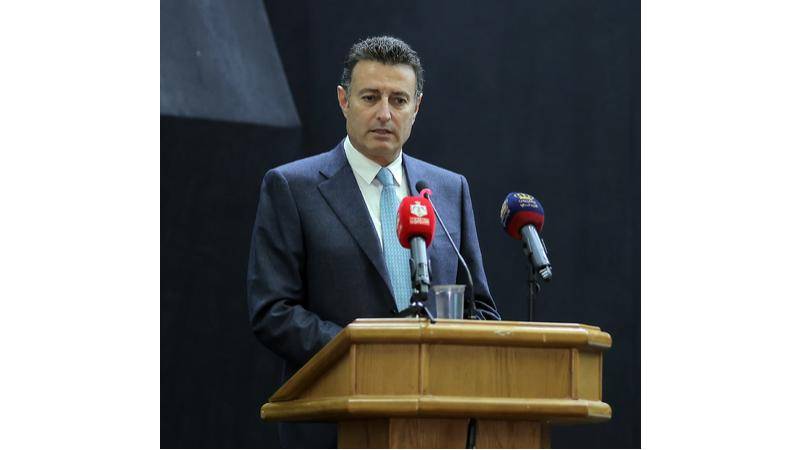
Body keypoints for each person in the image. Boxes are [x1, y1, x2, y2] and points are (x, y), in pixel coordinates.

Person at [246, 36, 499, 448]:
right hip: (333, 423)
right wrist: (365, 353)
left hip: (439, 423)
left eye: (398, 100)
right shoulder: (292, 187)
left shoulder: (448, 190)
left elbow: (481, 310)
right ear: (344, 100)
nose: (384, 113)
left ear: (417, 107)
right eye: (370, 97)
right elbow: (273, 311)